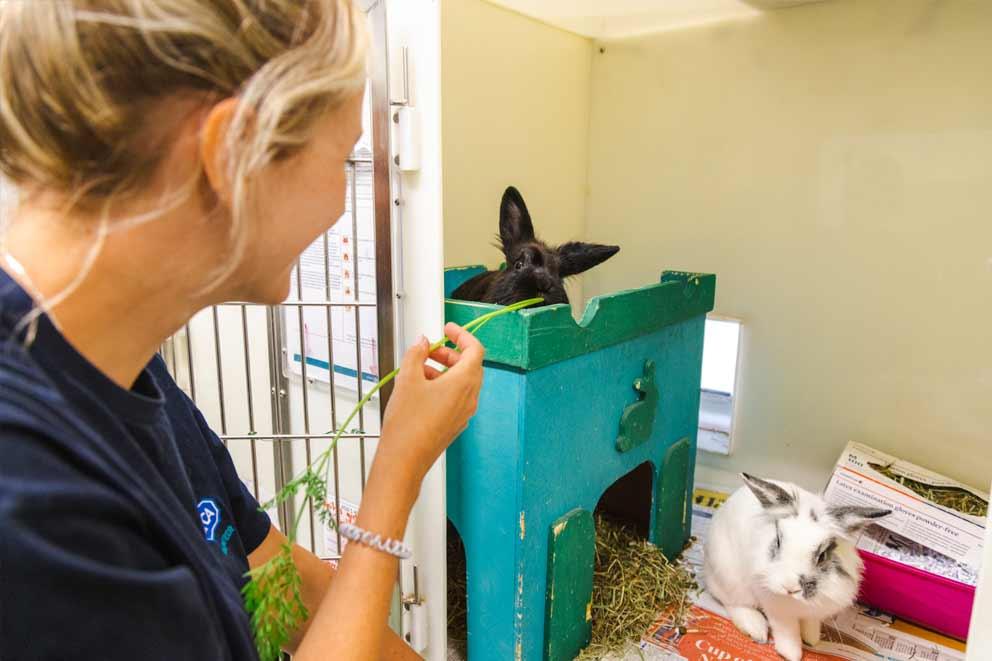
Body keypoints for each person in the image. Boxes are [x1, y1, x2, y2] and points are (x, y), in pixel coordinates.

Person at [0, 1, 483, 659]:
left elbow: (291, 584)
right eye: (344, 160)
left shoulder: (127, 370)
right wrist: (397, 469)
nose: (342, 203)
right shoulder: (31, 508)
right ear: (231, 154)